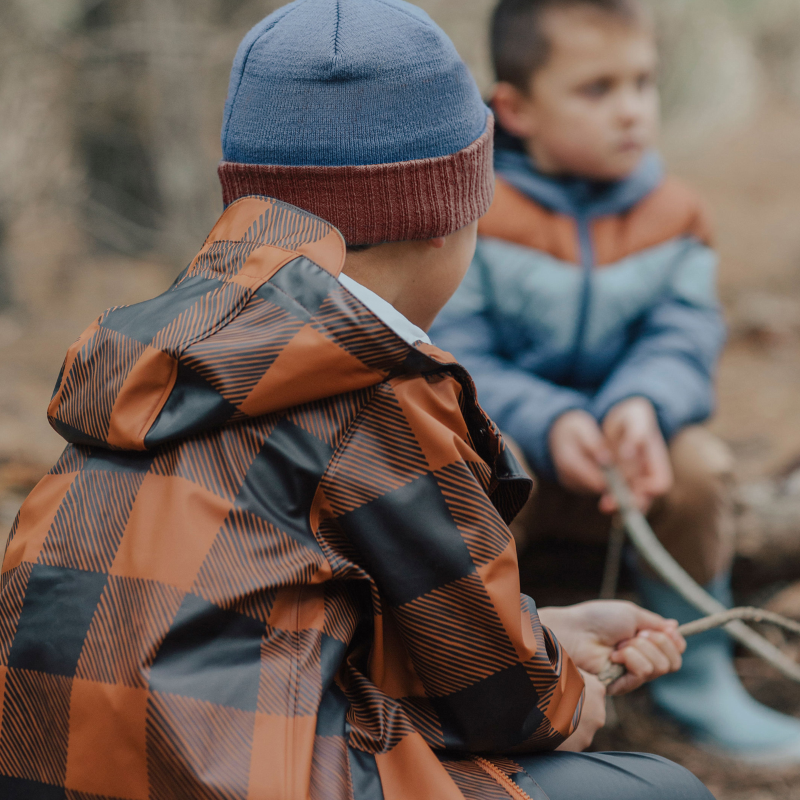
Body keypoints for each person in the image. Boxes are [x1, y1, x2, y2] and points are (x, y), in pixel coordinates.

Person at [0, 1, 713, 798]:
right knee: (656, 789)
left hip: (48, 772)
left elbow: (265, 628)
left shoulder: (160, 349)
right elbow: (515, 707)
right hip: (234, 778)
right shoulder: (372, 377)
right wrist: (572, 690)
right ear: (447, 215)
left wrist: (543, 632)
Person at [430, 0, 800, 762]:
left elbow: (685, 333)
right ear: (517, 109)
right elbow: (456, 353)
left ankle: (693, 679)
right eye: (597, 89)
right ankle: (485, 673)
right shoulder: (477, 215)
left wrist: (642, 404)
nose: (630, 110)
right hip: (519, 460)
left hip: (632, 471)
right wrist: (551, 418)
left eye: (642, 83)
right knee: (463, 474)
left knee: (701, 466)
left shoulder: (677, 214)